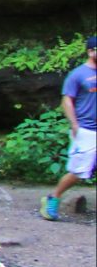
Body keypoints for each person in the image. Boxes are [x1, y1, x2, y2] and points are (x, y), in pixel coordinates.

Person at [45, 35, 97, 221]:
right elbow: (67, 100)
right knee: (78, 172)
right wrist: (74, 124)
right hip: (86, 129)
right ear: (90, 51)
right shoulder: (78, 74)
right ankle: (53, 197)